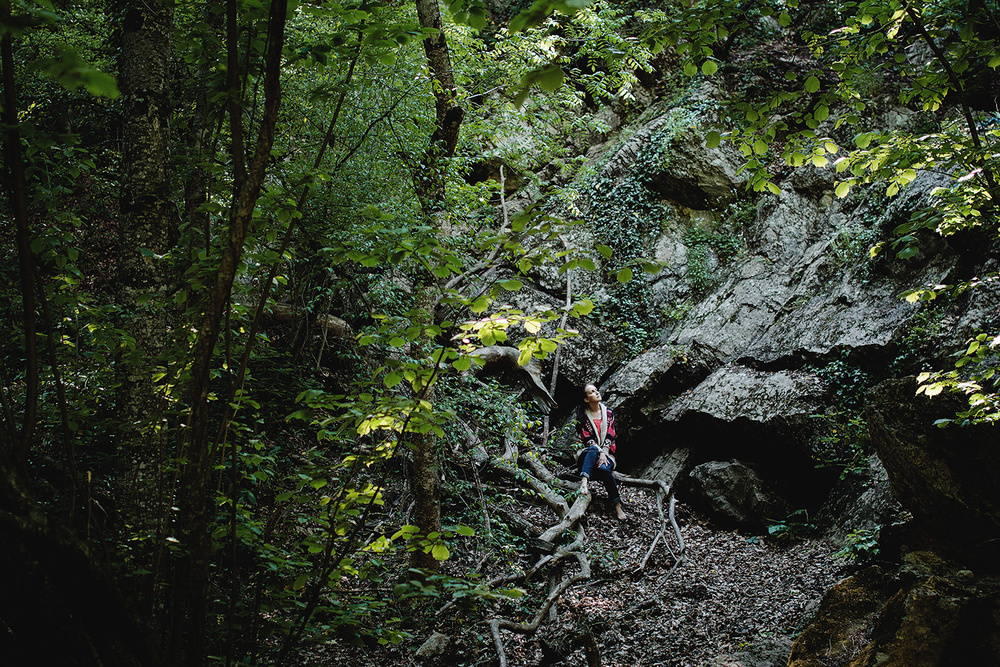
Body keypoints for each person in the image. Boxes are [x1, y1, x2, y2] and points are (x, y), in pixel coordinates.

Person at [576, 383, 626, 520]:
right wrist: (600, 453)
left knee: (605, 470)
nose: (597, 393)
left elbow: (611, 435)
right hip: (589, 455)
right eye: (592, 392)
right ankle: (584, 482)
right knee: (592, 449)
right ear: (586, 399)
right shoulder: (582, 417)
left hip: (608, 454)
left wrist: (604, 453)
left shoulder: (609, 413)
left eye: (596, 390)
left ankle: (617, 505)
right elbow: (587, 439)